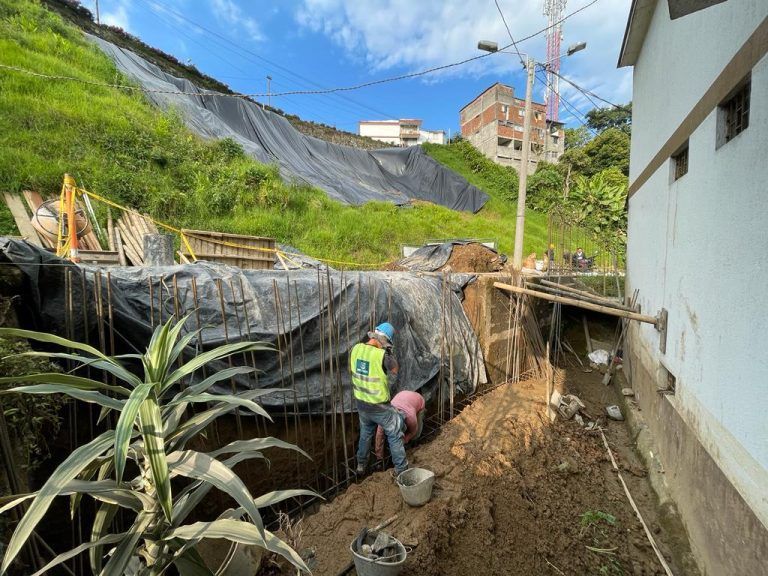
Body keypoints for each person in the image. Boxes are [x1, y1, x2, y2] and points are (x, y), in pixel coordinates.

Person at [350, 322, 409, 476]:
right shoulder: (382, 355)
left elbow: (354, 369)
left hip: (362, 404)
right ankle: (402, 471)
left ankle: (361, 465)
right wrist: (388, 352)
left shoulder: (355, 349)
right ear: (383, 340)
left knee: (366, 433)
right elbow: (395, 369)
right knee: (395, 433)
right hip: (380, 407)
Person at [374, 390, 426, 461]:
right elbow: (379, 437)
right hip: (402, 396)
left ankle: (414, 444)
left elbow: (413, 431)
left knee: (416, 432)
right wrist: (379, 456)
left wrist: (405, 440)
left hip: (418, 400)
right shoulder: (383, 419)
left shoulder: (411, 418)